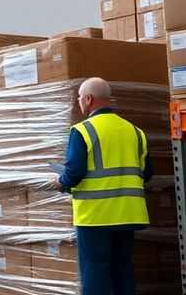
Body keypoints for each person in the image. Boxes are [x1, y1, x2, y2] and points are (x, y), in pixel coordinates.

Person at [50, 77, 152, 295]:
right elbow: (146, 172)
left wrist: (61, 182)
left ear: (88, 99)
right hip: (128, 213)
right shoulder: (135, 131)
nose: (79, 102)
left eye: (79, 97)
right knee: (122, 269)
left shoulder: (82, 130)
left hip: (95, 215)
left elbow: (74, 173)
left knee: (95, 271)